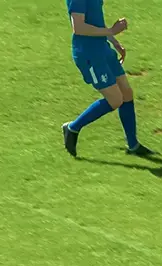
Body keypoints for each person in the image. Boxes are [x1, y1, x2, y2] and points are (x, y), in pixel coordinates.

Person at [62, 0, 154, 158]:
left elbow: (95, 20)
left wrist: (113, 41)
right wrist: (112, 30)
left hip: (103, 49)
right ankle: (72, 128)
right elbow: (78, 27)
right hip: (89, 54)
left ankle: (133, 145)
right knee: (115, 100)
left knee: (126, 93)